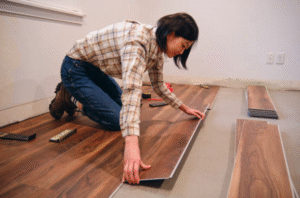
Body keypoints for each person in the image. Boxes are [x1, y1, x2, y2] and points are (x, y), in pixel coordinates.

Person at [49, 12, 205, 185]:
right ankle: (69, 98)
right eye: (183, 45)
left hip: (95, 70)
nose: (181, 51)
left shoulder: (157, 47)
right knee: (118, 120)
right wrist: (131, 147)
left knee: (126, 111)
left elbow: (159, 86)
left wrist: (185, 108)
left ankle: (76, 94)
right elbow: (131, 90)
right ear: (171, 34)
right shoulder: (138, 43)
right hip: (76, 68)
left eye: (186, 48)